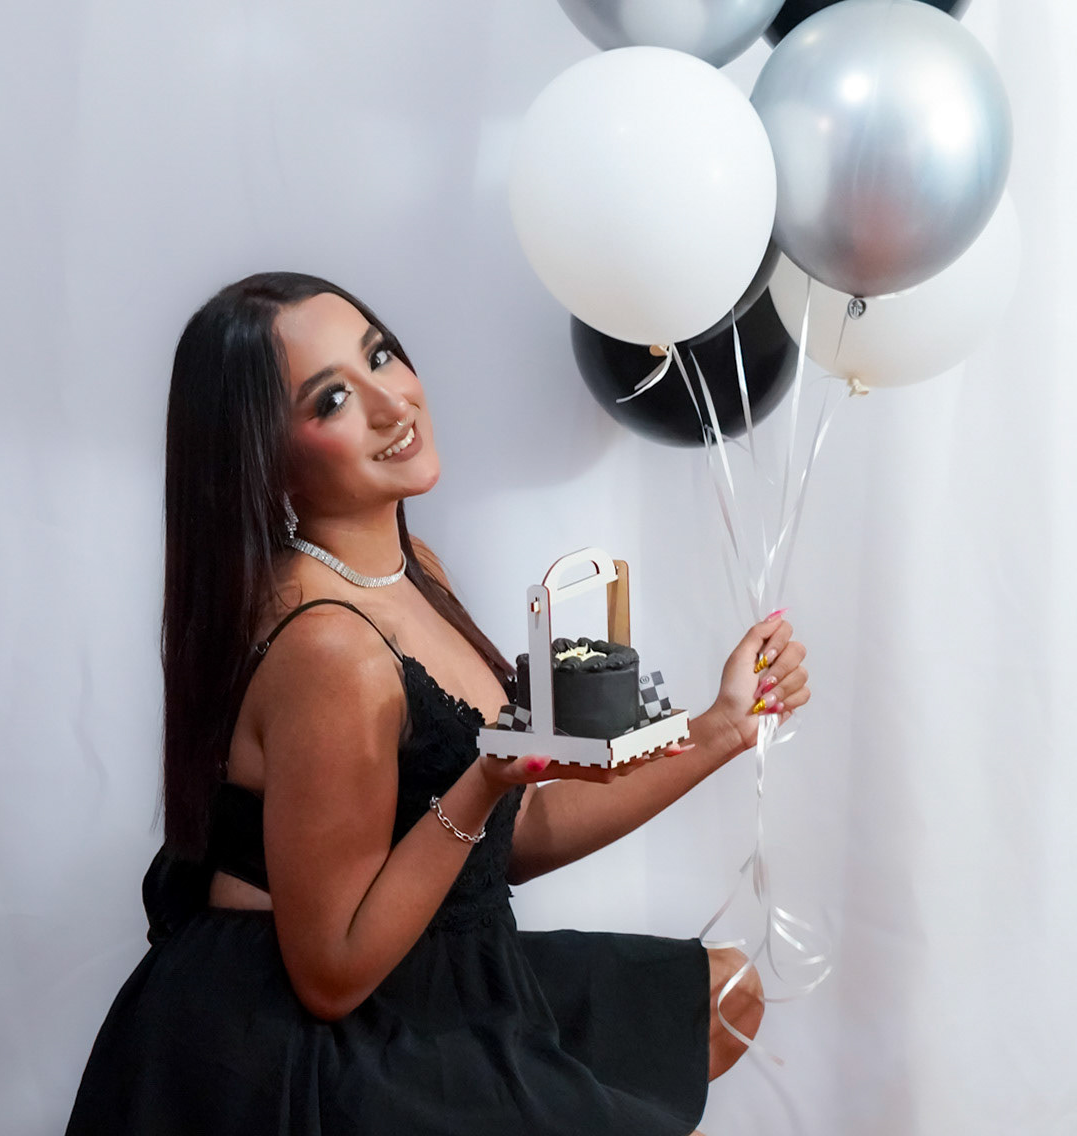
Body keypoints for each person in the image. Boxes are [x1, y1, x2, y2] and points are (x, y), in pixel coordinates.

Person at [65, 271, 810, 1136]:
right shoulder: (330, 652)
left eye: (380, 355)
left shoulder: (412, 572)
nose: (394, 403)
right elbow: (331, 976)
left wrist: (722, 728)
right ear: (263, 453)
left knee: (722, 996)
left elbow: (510, 840)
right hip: (309, 1037)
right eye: (333, 398)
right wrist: (482, 784)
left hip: (438, 963)